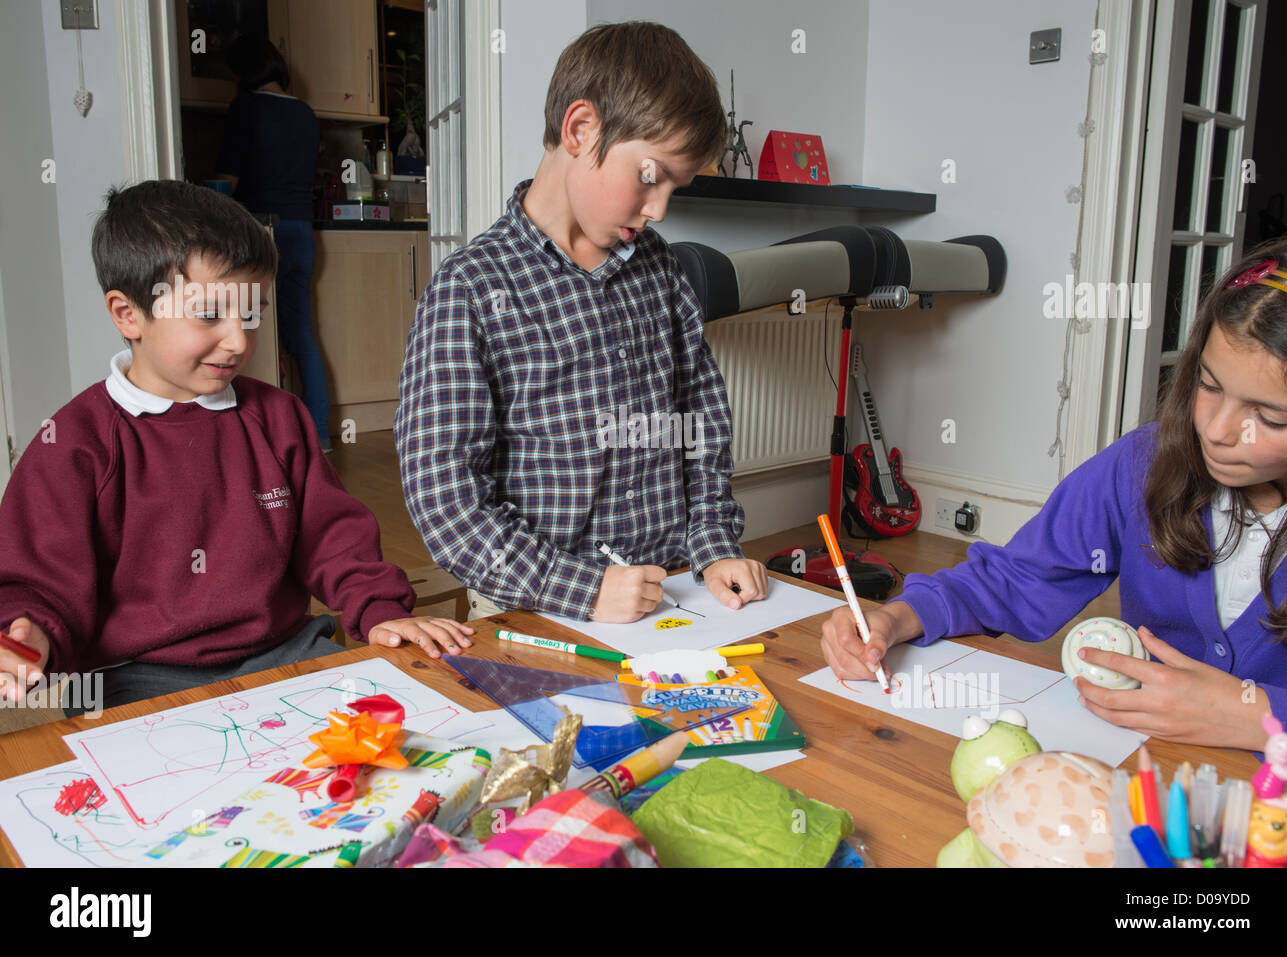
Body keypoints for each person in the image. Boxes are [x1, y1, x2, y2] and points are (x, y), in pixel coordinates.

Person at [0, 180, 471, 715]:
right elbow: (36, 581)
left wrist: (380, 608)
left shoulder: (277, 416)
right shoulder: (73, 443)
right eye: (209, 316)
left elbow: (331, 536)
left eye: (251, 314)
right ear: (128, 314)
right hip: (137, 676)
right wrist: (30, 633)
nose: (238, 340)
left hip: (283, 650)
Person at [820, 235, 1287, 752]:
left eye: (1268, 417)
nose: (1217, 429)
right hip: (1141, 774)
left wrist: (1258, 715)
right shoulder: (1145, 462)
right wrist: (898, 617)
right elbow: (1019, 577)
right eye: (1208, 385)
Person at [396, 21, 767, 623]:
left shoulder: (661, 270)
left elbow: (701, 420)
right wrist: (582, 589)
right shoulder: (471, 288)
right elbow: (446, 496)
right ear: (580, 129)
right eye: (652, 176)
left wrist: (714, 544)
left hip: (673, 594)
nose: (659, 209)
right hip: (535, 606)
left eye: (677, 187)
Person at [215, 36, 332, 451]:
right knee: (301, 334)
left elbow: (226, 182)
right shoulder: (305, 113)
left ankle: (260, 442)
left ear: (243, 73)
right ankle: (318, 435)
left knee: (249, 335)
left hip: (260, 232)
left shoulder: (245, 109)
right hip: (302, 230)